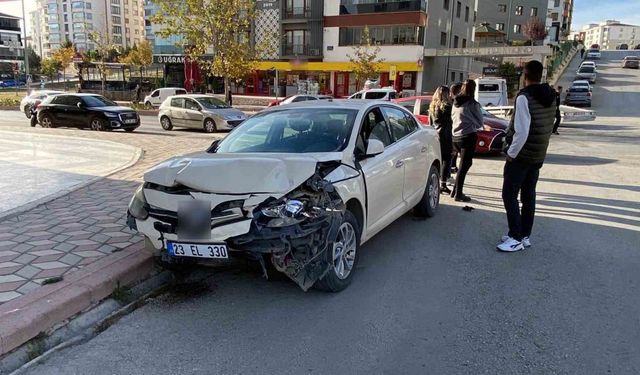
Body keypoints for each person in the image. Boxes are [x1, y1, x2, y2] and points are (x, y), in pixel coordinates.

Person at [497, 60, 556, 252]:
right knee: (529, 195)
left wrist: (511, 154)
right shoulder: (551, 96)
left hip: (522, 155)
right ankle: (524, 235)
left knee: (509, 195)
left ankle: (515, 237)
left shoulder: (524, 98)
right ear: (541, 75)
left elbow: (521, 132)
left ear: (525, 76)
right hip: (538, 155)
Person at [450, 80, 484, 202]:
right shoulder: (472, 104)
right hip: (468, 136)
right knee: (465, 166)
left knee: (463, 164)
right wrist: (471, 122)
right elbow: (480, 122)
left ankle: (455, 190)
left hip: (455, 136)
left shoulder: (455, 102)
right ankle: (458, 194)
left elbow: (452, 118)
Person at [429, 86, 454, 194]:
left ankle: (436, 181)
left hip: (435, 134)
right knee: (447, 159)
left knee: (438, 158)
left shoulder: (432, 106)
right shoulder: (447, 106)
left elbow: (431, 122)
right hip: (445, 135)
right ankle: (443, 183)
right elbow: (450, 121)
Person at [449, 82, 463, 174]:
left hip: (453, 130)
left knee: (453, 152)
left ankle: (452, 166)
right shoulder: (454, 102)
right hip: (452, 130)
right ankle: (450, 168)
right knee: (452, 152)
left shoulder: (453, 101)